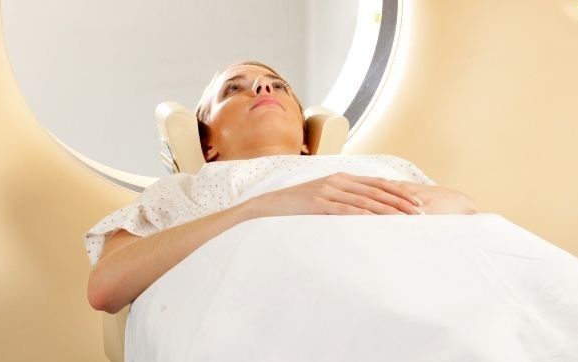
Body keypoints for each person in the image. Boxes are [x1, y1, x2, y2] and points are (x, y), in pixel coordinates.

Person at [85, 60, 478, 314]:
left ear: (306, 141)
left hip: (424, 290)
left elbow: (467, 216)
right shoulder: (186, 191)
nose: (263, 88)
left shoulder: (382, 165)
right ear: (208, 144)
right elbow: (106, 286)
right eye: (233, 89)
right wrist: (258, 208)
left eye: (279, 86)